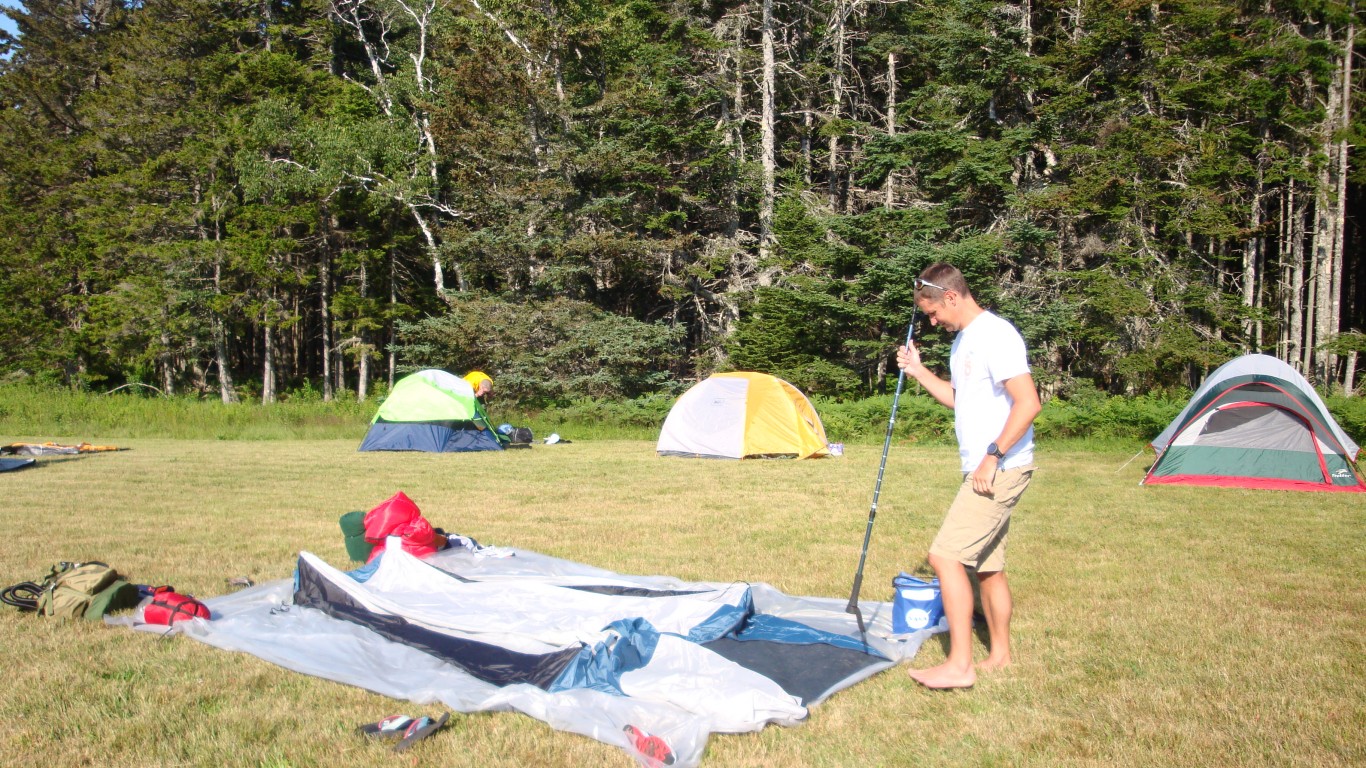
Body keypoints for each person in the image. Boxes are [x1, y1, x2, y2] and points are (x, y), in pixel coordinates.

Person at [894, 262, 1041, 690]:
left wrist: (993, 456)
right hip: (986, 467)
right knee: (988, 568)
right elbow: (963, 402)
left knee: (945, 557)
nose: (932, 321)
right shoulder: (963, 344)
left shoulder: (996, 336)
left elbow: (1028, 402)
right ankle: (1000, 655)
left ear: (952, 297)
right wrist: (919, 372)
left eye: (934, 313)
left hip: (999, 468)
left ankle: (959, 665)